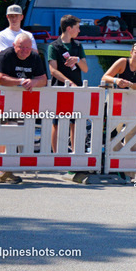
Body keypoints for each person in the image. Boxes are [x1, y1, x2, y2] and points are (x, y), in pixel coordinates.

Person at [0, 33, 47, 184]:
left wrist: (34, 82)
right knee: (5, 131)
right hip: (3, 100)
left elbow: (43, 79)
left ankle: (9, 167)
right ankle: (2, 169)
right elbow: (0, 77)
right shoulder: (6, 55)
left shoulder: (34, 57)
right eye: (21, 47)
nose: (24, 51)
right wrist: (20, 81)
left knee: (19, 133)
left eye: (28, 48)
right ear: (14, 46)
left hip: (25, 103)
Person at [102, 42, 136, 182]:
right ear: (131, 53)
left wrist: (129, 84)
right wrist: (117, 80)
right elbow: (105, 77)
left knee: (135, 135)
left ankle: (129, 173)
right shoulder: (122, 62)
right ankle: (116, 166)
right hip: (117, 102)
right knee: (113, 133)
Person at [47, 14, 89, 178]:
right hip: (60, 89)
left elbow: (85, 69)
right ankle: (56, 156)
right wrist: (68, 82)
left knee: (74, 122)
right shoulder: (54, 46)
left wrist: (77, 60)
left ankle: (74, 154)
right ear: (69, 28)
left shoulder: (78, 46)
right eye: (77, 27)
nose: (79, 31)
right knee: (57, 122)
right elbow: (53, 70)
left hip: (76, 90)